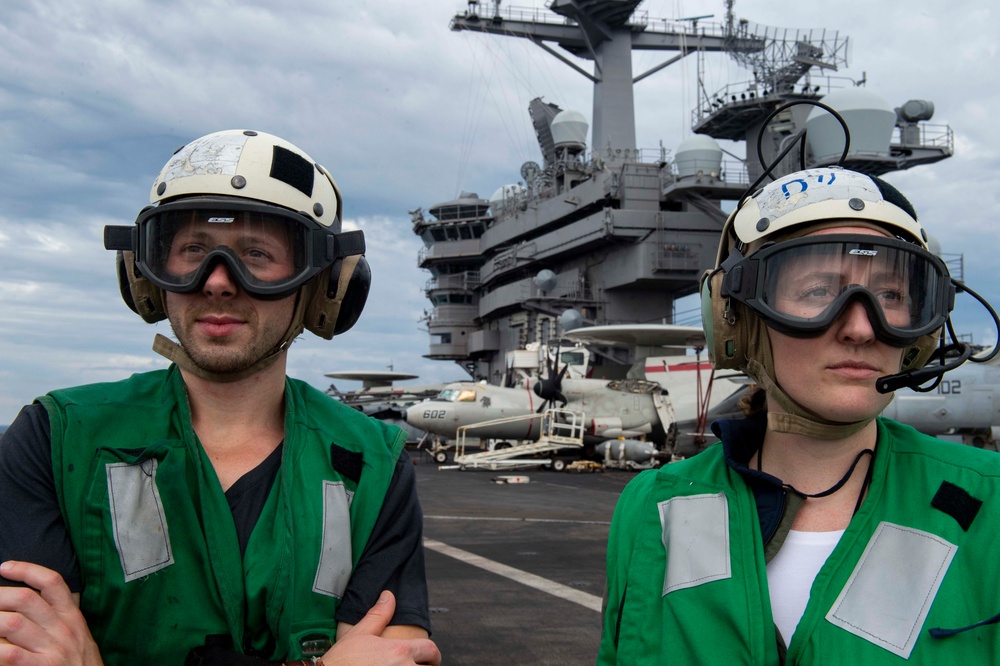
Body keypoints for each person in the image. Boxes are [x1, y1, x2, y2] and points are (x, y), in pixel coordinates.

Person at [0, 129, 441, 665]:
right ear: (144, 275)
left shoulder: (373, 462)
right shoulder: (55, 437)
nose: (217, 282)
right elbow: (23, 647)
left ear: (325, 286)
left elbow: (394, 653)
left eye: (255, 254)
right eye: (191, 250)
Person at [598, 167, 1000, 663]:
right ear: (736, 321)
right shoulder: (654, 509)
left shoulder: (991, 507)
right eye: (817, 291)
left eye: (891, 295)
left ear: (919, 337)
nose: (860, 327)